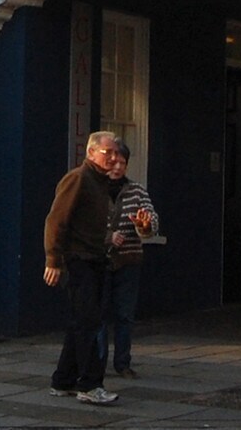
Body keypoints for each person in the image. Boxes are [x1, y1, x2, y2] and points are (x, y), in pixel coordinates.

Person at [43, 130, 122, 406]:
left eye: (115, 152)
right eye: (107, 152)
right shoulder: (78, 178)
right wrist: (53, 260)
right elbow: (56, 221)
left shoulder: (101, 183)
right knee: (92, 325)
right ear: (91, 152)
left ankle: (63, 381)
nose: (113, 157)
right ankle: (90, 384)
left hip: (95, 259)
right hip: (79, 261)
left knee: (81, 323)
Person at [98, 138, 158, 377]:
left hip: (128, 261)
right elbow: (83, 224)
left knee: (124, 315)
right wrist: (107, 236)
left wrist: (144, 226)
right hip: (101, 261)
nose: (118, 167)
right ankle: (98, 363)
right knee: (99, 315)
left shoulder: (136, 190)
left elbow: (151, 223)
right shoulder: (94, 188)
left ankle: (123, 363)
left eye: (122, 162)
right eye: (114, 162)